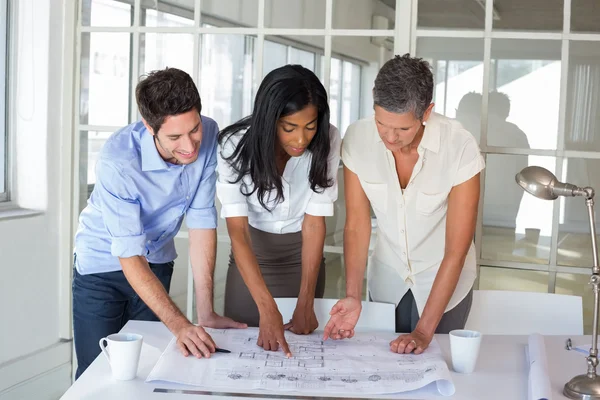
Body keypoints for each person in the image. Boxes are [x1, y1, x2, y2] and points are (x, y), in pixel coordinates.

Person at [72, 68, 245, 379]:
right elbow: (129, 253)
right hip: (102, 267)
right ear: (149, 127)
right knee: (97, 372)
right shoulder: (118, 161)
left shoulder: (209, 133)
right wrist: (179, 323)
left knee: (151, 368)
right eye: (175, 137)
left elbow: (202, 219)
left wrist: (205, 312)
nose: (191, 146)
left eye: (193, 130)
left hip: (157, 261)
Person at [323, 54, 485, 355]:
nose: (389, 137)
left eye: (402, 129)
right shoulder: (358, 138)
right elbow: (357, 225)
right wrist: (352, 295)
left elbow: (456, 250)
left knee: (436, 365)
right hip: (387, 279)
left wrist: (423, 332)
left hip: (444, 281)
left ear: (427, 112)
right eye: (382, 123)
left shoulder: (459, 146)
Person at [217, 64, 341, 355]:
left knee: (304, 355)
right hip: (252, 258)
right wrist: (266, 306)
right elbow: (239, 232)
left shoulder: (327, 140)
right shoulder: (232, 145)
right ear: (269, 120)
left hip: (304, 260)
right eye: (289, 128)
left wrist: (306, 300)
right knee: (245, 357)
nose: (301, 139)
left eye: (310, 127)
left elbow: (314, 223)